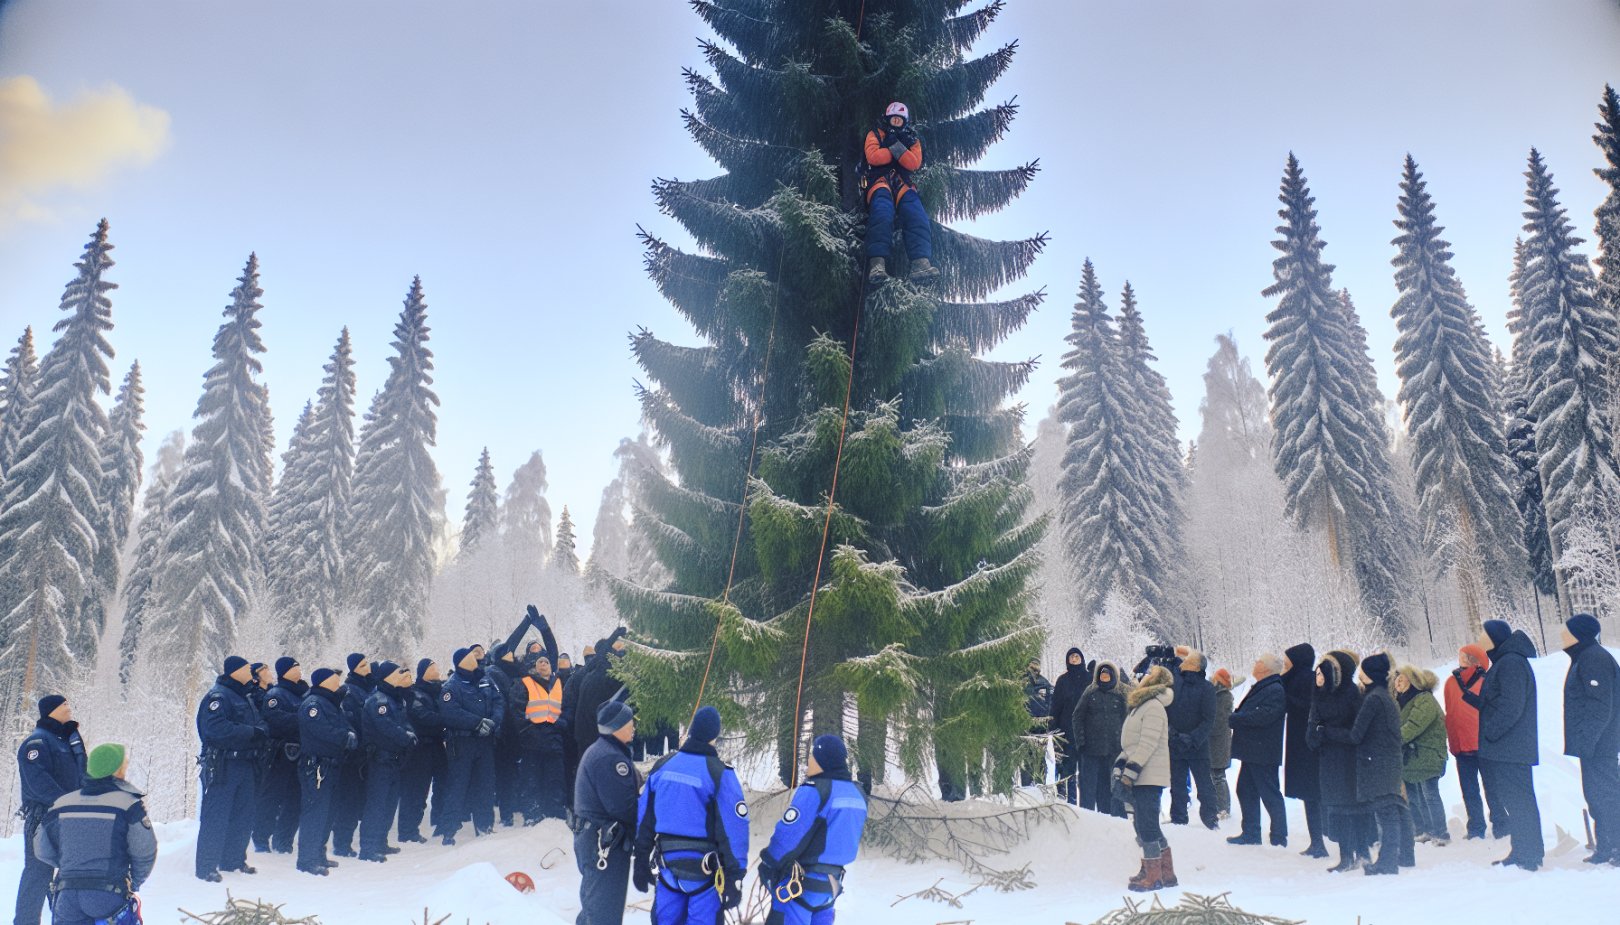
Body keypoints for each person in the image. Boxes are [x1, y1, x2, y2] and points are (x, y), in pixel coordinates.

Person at [632, 707, 749, 922]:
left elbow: (644, 817)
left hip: (668, 870)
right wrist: (735, 876)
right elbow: (734, 829)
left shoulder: (663, 767)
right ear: (714, 736)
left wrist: (640, 859)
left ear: (692, 731)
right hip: (703, 876)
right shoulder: (719, 773)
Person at [32, 743, 154, 925]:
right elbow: (144, 851)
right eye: (124, 764)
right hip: (108, 894)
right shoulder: (128, 805)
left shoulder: (62, 804)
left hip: (67, 894)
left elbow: (41, 848)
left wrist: (73, 864)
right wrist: (134, 882)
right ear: (116, 770)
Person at [757, 735, 869, 925]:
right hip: (831, 886)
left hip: (800, 887)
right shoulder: (857, 794)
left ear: (822, 760)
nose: (809, 761)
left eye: (812, 756)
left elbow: (789, 834)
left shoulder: (815, 790)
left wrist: (769, 863)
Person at [1321, 653, 1413, 876]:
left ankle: (1388, 863)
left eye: (1362, 670)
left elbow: (1356, 735)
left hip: (1378, 763)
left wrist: (1327, 732)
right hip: (1388, 761)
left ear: (1369, 674)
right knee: (1393, 810)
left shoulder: (1374, 699)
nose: (1359, 673)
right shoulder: (1384, 696)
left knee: (1387, 813)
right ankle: (1399, 858)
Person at [195, 654, 269, 882]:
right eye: (247, 669)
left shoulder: (244, 696)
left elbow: (260, 723)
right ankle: (206, 866)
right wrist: (250, 733)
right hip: (224, 765)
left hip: (246, 763)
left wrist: (259, 732)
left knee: (243, 815)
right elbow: (216, 729)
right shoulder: (219, 696)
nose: (250, 672)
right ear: (236, 671)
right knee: (216, 816)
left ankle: (233, 860)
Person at [14, 694, 87, 925]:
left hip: (70, 818)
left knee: (73, 874)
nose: (69, 707)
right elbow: (38, 783)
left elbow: (82, 776)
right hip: (43, 820)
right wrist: (68, 802)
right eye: (64, 704)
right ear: (52, 710)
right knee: (38, 874)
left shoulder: (69, 741)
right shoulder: (36, 743)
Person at [1478, 619, 1544, 871]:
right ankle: (1523, 850)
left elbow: (1511, 706)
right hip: (1507, 746)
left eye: (1483, 633)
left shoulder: (1511, 663)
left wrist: (1491, 731)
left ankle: (1529, 855)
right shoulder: (1505, 662)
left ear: (1494, 637)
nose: (1479, 637)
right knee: (1515, 801)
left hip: (1511, 747)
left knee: (1519, 801)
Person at [1561, 613, 1619, 866]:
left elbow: (1600, 706)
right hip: (1594, 744)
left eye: (1568, 630)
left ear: (1580, 634)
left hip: (1600, 745)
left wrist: (1587, 741)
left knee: (1607, 796)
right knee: (1596, 797)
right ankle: (1606, 847)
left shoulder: (1594, 658)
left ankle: (1616, 847)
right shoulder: (1585, 657)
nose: (1562, 635)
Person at [575, 701, 640, 925]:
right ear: (617, 726)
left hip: (596, 840)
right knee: (603, 912)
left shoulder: (604, 750)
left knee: (596, 907)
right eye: (630, 722)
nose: (633, 727)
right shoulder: (610, 758)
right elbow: (624, 808)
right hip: (604, 845)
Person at [862, 101, 939, 286]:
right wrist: (899, 151)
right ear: (887, 119)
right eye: (893, 119)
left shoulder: (912, 139)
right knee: (882, 211)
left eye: (899, 120)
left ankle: (920, 263)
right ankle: (877, 264)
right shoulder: (875, 134)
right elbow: (873, 157)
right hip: (879, 180)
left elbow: (913, 163)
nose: (896, 122)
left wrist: (893, 146)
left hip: (903, 183)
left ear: (905, 121)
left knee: (916, 214)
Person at [1308, 651, 1370, 872]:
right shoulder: (1319, 697)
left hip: (1349, 762)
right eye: (1316, 674)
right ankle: (1346, 856)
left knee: (1354, 809)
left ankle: (1362, 853)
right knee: (1338, 810)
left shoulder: (1352, 695)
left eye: (1322, 674)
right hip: (1329, 762)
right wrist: (1317, 734)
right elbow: (1313, 731)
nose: (1318, 678)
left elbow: (1357, 732)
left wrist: (1327, 732)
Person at [1116, 665, 1176, 892]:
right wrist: (1121, 764)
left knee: (1147, 824)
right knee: (1143, 822)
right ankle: (1165, 872)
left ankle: (1154, 876)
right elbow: (1131, 743)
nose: (1144, 676)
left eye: (1150, 674)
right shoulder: (1141, 705)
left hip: (1148, 774)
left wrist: (1131, 769)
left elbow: (1148, 743)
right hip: (1141, 772)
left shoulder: (1153, 706)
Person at [437, 646, 502, 845]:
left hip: (484, 741)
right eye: (469, 656)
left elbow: (499, 702)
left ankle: (484, 827)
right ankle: (448, 831)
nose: (475, 657)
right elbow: (450, 712)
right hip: (462, 743)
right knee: (458, 786)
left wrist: (493, 722)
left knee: (485, 786)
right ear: (461, 662)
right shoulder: (451, 686)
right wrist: (477, 723)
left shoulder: (486, 679)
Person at [295, 667, 357, 876]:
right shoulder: (313, 704)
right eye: (334, 678)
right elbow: (321, 730)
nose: (338, 681)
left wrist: (350, 735)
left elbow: (346, 726)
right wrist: (344, 737)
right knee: (315, 813)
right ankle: (307, 859)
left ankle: (319, 854)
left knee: (328, 813)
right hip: (316, 767)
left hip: (331, 765)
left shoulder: (331, 703)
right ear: (323, 681)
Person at [1444, 643, 1506, 840]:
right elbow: (1450, 713)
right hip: (1461, 746)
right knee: (1469, 790)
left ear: (1475, 659)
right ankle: (1476, 826)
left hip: (1484, 744)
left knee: (1492, 788)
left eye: (1466, 655)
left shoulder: (1487, 681)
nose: (1461, 657)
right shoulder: (1450, 683)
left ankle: (1501, 824)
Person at [1226, 653, 1288, 847]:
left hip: (1263, 751)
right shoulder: (1264, 686)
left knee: (1269, 793)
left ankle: (1279, 837)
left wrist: (1237, 719)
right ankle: (1251, 833)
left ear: (1266, 669)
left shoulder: (1274, 689)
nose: (1255, 663)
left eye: (1259, 662)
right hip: (1254, 750)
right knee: (1245, 790)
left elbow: (1264, 715)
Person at [359, 662, 417, 862]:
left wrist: (410, 734)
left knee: (390, 803)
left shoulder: (395, 698)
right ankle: (368, 847)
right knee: (377, 804)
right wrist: (406, 737)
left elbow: (405, 722)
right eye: (397, 672)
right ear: (388, 676)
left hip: (394, 760)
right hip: (380, 760)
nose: (402, 675)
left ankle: (380, 842)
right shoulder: (378, 700)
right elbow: (386, 726)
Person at [254, 657, 305, 855]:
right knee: (271, 798)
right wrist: (304, 719)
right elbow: (275, 719)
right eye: (294, 667)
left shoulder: (303, 693)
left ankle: (284, 840)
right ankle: (261, 838)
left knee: (295, 799)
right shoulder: (275, 695)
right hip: (279, 754)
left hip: (301, 754)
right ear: (285, 671)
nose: (299, 670)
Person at [1396, 666, 1450, 845]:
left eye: (1402, 678)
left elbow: (1414, 725)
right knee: (1414, 797)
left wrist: (1393, 739)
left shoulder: (1424, 699)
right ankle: (1424, 830)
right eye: (1397, 678)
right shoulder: (1401, 700)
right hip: (1412, 756)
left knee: (1429, 795)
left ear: (1413, 681)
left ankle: (1440, 833)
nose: (1398, 681)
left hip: (1427, 754)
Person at [1165, 647, 1219, 829]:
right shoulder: (1174, 683)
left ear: (1196, 666)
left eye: (1187, 660)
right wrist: (1173, 734)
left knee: (1204, 786)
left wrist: (1192, 738)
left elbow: (1209, 719)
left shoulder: (1207, 688)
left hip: (1198, 747)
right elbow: (1166, 711)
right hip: (1175, 744)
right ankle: (1178, 819)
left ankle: (1210, 819)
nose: (1183, 662)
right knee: (1177, 786)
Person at [1281, 643, 1325, 857]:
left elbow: (1305, 706)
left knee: (1312, 794)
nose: (1284, 667)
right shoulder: (1297, 679)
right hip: (1302, 743)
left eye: (1286, 663)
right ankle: (1317, 841)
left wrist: (1284, 695)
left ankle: (1318, 842)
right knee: (1311, 795)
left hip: (1306, 744)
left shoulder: (1305, 679)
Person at [330, 652, 375, 857]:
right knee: (348, 801)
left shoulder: (368, 689)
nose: (368, 668)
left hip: (367, 754)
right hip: (353, 757)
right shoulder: (350, 692)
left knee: (360, 801)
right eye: (363, 665)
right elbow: (352, 723)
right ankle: (341, 844)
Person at [516, 650, 569, 823]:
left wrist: (562, 724)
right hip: (532, 739)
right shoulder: (525, 683)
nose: (543, 664)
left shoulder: (559, 683)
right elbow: (517, 710)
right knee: (531, 779)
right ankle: (532, 815)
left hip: (554, 738)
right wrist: (528, 730)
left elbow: (566, 707)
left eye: (546, 662)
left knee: (555, 779)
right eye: (540, 662)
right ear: (534, 666)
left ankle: (555, 814)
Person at [399, 658, 448, 843]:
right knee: (416, 791)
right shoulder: (416, 694)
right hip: (420, 749)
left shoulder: (438, 691)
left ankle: (440, 822)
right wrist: (446, 719)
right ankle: (408, 831)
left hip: (437, 745)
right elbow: (422, 716)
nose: (437, 670)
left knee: (443, 785)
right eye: (432, 668)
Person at [1071, 660, 1127, 815]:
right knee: (1088, 788)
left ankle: (1107, 818)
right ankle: (1086, 817)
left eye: (1107, 675)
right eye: (1102, 675)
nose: (1104, 677)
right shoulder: (1090, 692)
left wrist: (1124, 743)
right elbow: (1077, 717)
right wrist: (1081, 742)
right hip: (1091, 750)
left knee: (1108, 788)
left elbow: (1126, 720)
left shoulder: (1119, 695)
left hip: (1113, 750)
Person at [1050, 648, 1092, 805]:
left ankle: (1086, 806)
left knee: (1086, 771)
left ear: (1082, 658)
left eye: (1076, 656)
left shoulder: (1089, 679)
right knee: (1067, 770)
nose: (1074, 659)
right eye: (1071, 657)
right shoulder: (1062, 681)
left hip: (1086, 733)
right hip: (1066, 732)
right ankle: (1068, 803)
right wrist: (1053, 729)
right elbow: (1055, 707)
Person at [1209, 668, 1238, 820]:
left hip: (1218, 742)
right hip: (1216, 742)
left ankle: (1223, 808)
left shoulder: (1223, 697)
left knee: (1218, 776)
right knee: (1216, 775)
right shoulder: (1218, 695)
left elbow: (1219, 722)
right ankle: (1219, 806)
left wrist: (1206, 728)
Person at [1020, 658, 1054, 786]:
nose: (1034, 669)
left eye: (1036, 666)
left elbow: (1050, 702)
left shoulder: (1044, 682)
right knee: (1026, 759)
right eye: (1032, 666)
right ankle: (1027, 786)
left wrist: (1048, 720)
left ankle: (1040, 786)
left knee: (1040, 759)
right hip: (1025, 726)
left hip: (1041, 727)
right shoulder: (1022, 682)